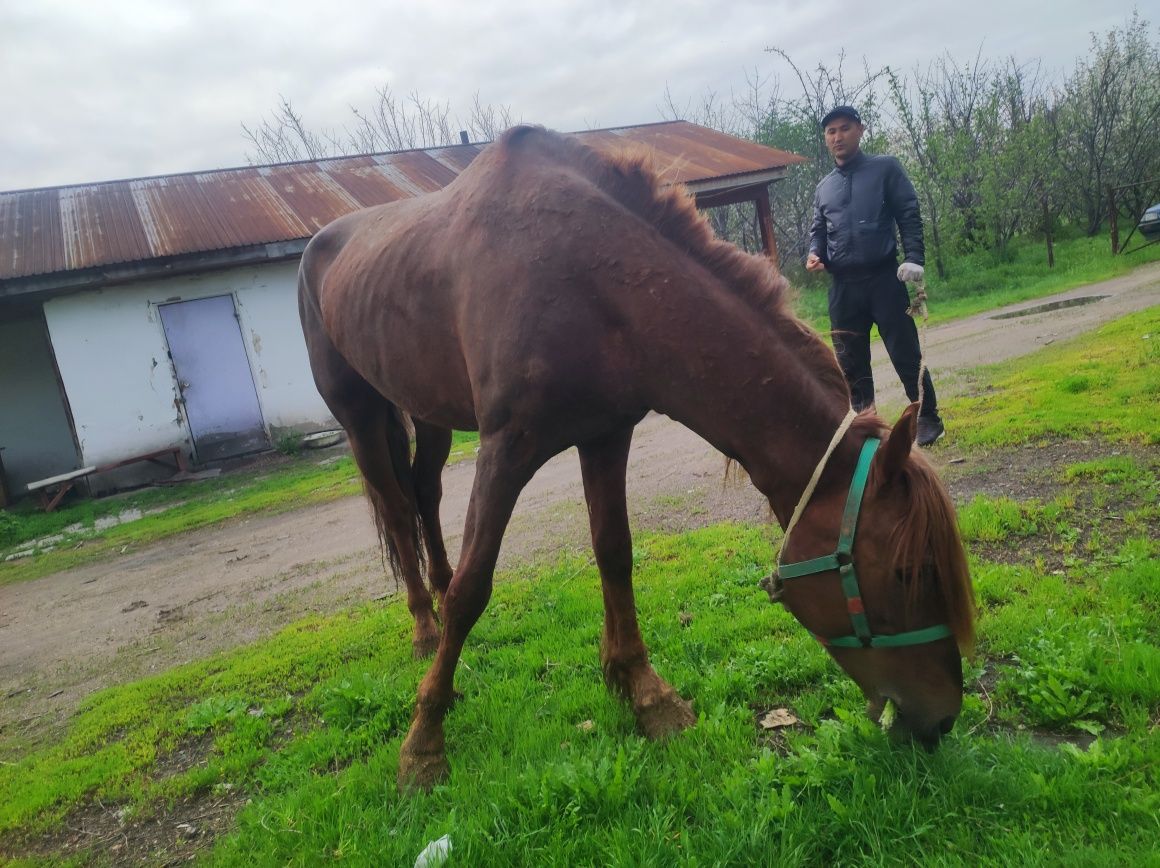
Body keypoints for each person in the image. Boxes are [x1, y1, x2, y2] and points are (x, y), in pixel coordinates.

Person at [806, 105, 945, 446]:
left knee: (905, 352)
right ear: (826, 138)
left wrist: (914, 258)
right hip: (843, 287)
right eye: (830, 131)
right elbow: (819, 230)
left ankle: (927, 418)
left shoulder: (886, 169)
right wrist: (814, 252)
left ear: (860, 130)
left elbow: (909, 214)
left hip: (884, 279)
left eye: (844, 128)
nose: (837, 137)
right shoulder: (824, 187)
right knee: (850, 362)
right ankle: (866, 425)